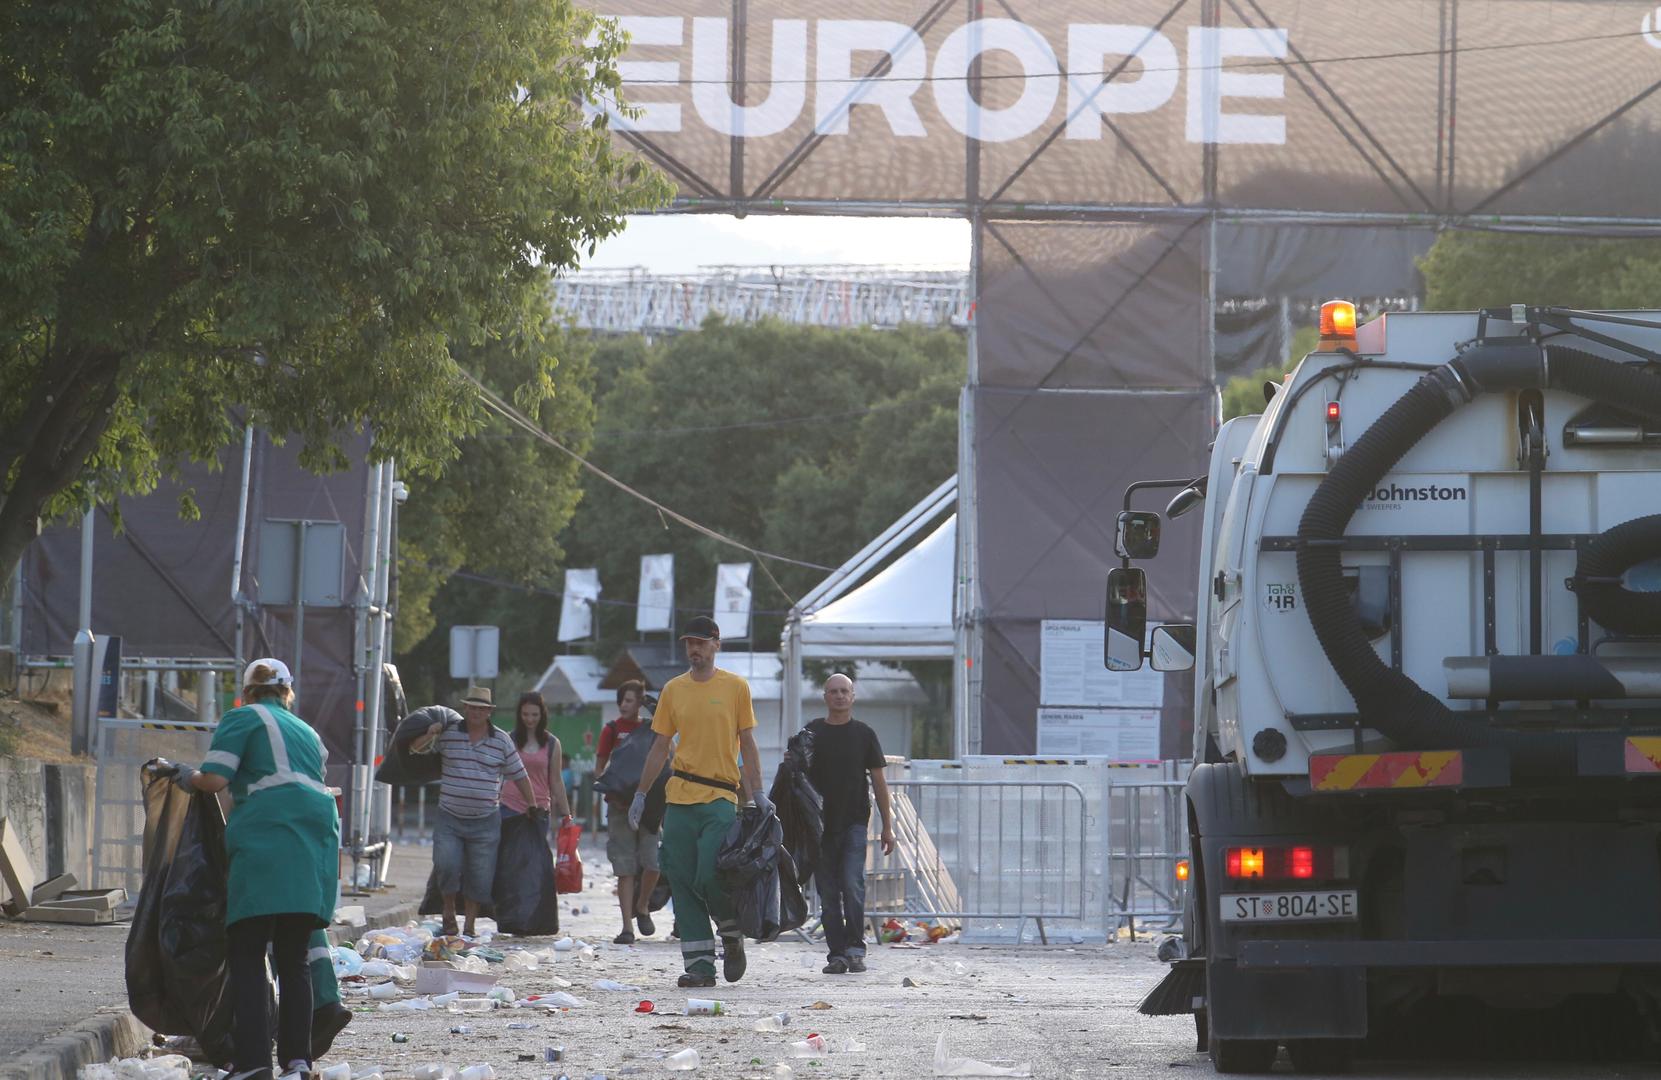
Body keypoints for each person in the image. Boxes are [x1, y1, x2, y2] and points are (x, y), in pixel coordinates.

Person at [171, 659, 339, 1080]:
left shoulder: (242, 719)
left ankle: (254, 1064)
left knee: (247, 955)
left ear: (246, 693)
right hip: (314, 849)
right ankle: (298, 1063)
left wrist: (184, 775)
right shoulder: (309, 733)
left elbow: (214, 780)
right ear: (287, 693)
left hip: (266, 845)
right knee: (294, 957)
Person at [629, 616, 768, 988]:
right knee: (680, 878)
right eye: (689, 643)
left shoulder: (736, 687)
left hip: (721, 795)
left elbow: (749, 743)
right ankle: (700, 968)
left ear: (716, 645)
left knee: (710, 873)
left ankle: (731, 930)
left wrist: (758, 791)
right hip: (680, 796)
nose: (694, 649)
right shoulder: (674, 690)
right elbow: (660, 746)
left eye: (701, 643)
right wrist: (641, 793)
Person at [412, 686, 539, 937]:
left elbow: (520, 776)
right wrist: (430, 733)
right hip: (449, 816)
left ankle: (469, 926)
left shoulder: (501, 740)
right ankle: (448, 913)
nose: (477, 712)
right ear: (465, 709)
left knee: (480, 876)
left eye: (482, 708)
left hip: (486, 821)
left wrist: (533, 806)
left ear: (489, 712)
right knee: (446, 865)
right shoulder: (447, 734)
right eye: (472, 707)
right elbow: (415, 749)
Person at [806, 673, 895, 975]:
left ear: (853, 696)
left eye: (845, 691)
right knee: (828, 893)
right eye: (833, 691)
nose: (839, 696)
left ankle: (856, 948)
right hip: (819, 827)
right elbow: (794, 777)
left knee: (852, 884)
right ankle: (837, 954)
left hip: (855, 821)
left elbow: (880, 782)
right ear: (825, 696)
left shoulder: (864, 734)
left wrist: (888, 826)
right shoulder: (812, 733)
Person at [595, 679, 661, 944]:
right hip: (619, 806)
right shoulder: (611, 730)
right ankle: (626, 928)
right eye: (622, 699)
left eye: (631, 700)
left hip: (649, 807)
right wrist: (612, 789)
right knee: (625, 868)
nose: (624, 705)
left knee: (653, 863)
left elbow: (669, 728)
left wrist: (652, 704)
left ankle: (642, 905)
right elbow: (600, 766)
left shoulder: (652, 728)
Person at [500, 690, 574, 830]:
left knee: (535, 852)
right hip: (509, 807)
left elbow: (556, 781)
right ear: (519, 714)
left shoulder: (552, 743)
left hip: (539, 811)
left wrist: (566, 815)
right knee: (509, 852)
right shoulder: (509, 739)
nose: (530, 719)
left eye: (535, 715)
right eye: (525, 714)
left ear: (542, 715)